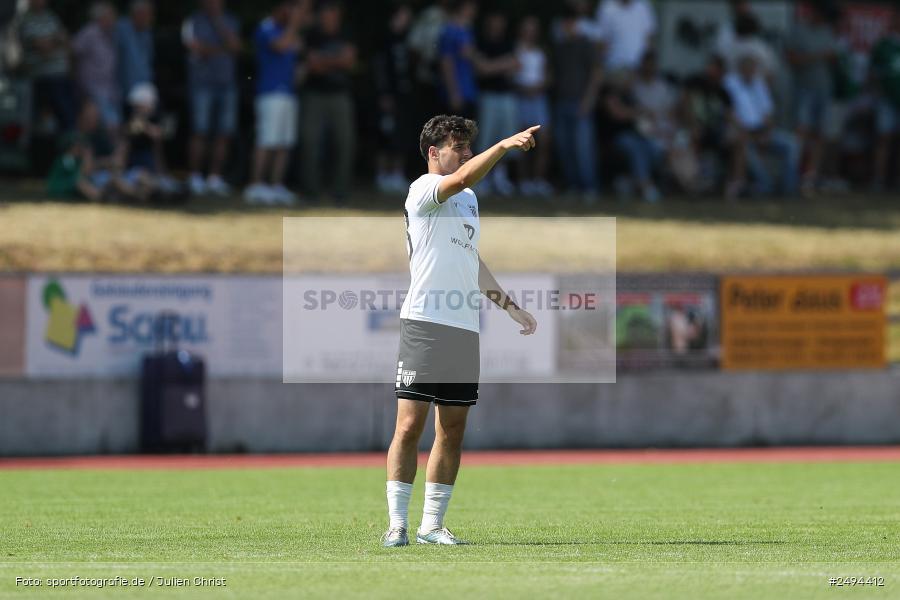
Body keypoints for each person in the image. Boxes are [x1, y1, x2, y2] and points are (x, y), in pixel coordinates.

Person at [382, 114, 539, 547]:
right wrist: (504, 146)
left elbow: (473, 262)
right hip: (425, 322)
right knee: (409, 426)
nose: (466, 153)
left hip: (463, 327)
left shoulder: (469, 199)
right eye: (458, 146)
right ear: (434, 153)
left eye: (470, 146)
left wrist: (511, 307)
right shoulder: (424, 189)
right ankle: (397, 523)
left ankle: (431, 525)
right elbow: (466, 174)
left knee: (452, 428)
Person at [244, 0, 309, 205]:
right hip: (270, 93)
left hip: (288, 94)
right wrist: (296, 23)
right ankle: (256, 185)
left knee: (284, 143)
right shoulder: (267, 28)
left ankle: (275, 186)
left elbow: (298, 51)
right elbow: (281, 45)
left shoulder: (288, 31)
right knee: (267, 140)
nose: (290, 12)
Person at [182, 0, 242, 197]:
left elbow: (235, 46)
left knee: (223, 133)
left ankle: (214, 178)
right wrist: (222, 50)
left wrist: (218, 23)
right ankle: (195, 177)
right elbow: (197, 48)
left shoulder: (230, 21)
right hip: (202, 85)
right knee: (199, 131)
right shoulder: (193, 22)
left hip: (227, 85)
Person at [301, 1, 357, 203]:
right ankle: (311, 191)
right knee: (310, 142)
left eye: (334, 12)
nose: (330, 16)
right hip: (314, 95)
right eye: (327, 13)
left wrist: (324, 61)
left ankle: (340, 190)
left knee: (345, 142)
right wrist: (336, 60)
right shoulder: (311, 35)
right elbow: (312, 64)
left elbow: (349, 61)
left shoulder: (346, 33)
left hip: (340, 96)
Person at [723, 53, 799, 199]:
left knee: (792, 143)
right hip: (741, 133)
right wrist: (748, 132)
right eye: (747, 69)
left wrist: (766, 133)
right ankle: (765, 185)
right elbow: (728, 112)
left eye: (752, 69)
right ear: (740, 69)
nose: (750, 72)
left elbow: (768, 114)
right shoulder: (730, 84)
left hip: (761, 132)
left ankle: (789, 188)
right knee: (745, 146)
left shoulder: (759, 84)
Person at [786, 3, 841, 196]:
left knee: (820, 135)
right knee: (801, 132)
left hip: (824, 90)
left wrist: (833, 59)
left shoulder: (827, 31)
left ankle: (809, 178)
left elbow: (835, 59)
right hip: (805, 90)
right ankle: (790, 176)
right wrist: (818, 56)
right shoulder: (799, 31)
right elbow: (792, 60)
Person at [552, 6, 602, 202]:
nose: (567, 26)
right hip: (562, 103)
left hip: (580, 103)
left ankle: (589, 187)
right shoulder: (560, 46)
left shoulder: (586, 44)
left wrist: (588, 101)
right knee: (565, 147)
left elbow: (596, 75)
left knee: (583, 148)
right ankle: (573, 185)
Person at [474, 11, 519, 196]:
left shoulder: (508, 43)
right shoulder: (480, 42)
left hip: (507, 97)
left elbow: (514, 67)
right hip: (487, 97)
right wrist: (502, 65)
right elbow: (482, 69)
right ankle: (480, 179)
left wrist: (492, 65)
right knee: (485, 140)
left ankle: (500, 178)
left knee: (506, 140)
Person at [373, 3, 415, 194]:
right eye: (404, 16)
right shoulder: (384, 39)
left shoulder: (407, 39)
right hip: (388, 95)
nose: (407, 20)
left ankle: (397, 174)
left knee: (402, 132)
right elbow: (380, 69)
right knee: (385, 133)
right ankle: (382, 174)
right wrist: (384, 93)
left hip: (404, 95)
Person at [18, 0, 76, 132]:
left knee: (68, 117)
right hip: (44, 77)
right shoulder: (26, 19)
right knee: (59, 117)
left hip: (61, 74)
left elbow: (66, 40)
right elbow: (43, 47)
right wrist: (57, 39)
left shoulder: (51, 16)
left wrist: (52, 40)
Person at [514, 15, 552, 197]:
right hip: (521, 98)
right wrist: (523, 88)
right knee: (522, 142)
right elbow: (511, 76)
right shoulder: (516, 51)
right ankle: (524, 181)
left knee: (543, 142)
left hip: (538, 99)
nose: (530, 33)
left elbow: (547, 76)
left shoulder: (541, 53)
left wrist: (539, 87)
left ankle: (538, 181)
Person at [72, 2, 121, 134]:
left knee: (111, 126)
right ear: (101, 17)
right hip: (93, 89)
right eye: (111, 16)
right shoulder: (89, 33)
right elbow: (73, 53)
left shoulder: (111, 34)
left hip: (109, 90)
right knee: (110, 125)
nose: (114, 19)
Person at [870, 11, 900, 191]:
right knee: (884, 138)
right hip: (887, 99)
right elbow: (873, 73)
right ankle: (878, 179)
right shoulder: (884, 45)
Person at [437, 0, 478, 117]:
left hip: (469, 91)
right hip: (457, 93)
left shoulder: (467, 30)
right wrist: (453, 93)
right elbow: (446, 62)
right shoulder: (450, 30)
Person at [593, 0, 657, 73]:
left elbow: (650, 39)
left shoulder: (644, 6)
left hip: (638, 71)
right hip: (613, 70)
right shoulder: (606, 7)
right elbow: (600, 41)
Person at [116, 0, 155, 98]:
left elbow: (148, 60)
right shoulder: (121, 29)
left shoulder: (147, 33)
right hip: (125, 84)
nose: (150, 18)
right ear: (138, 14)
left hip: (144, 83)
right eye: (147, 14)